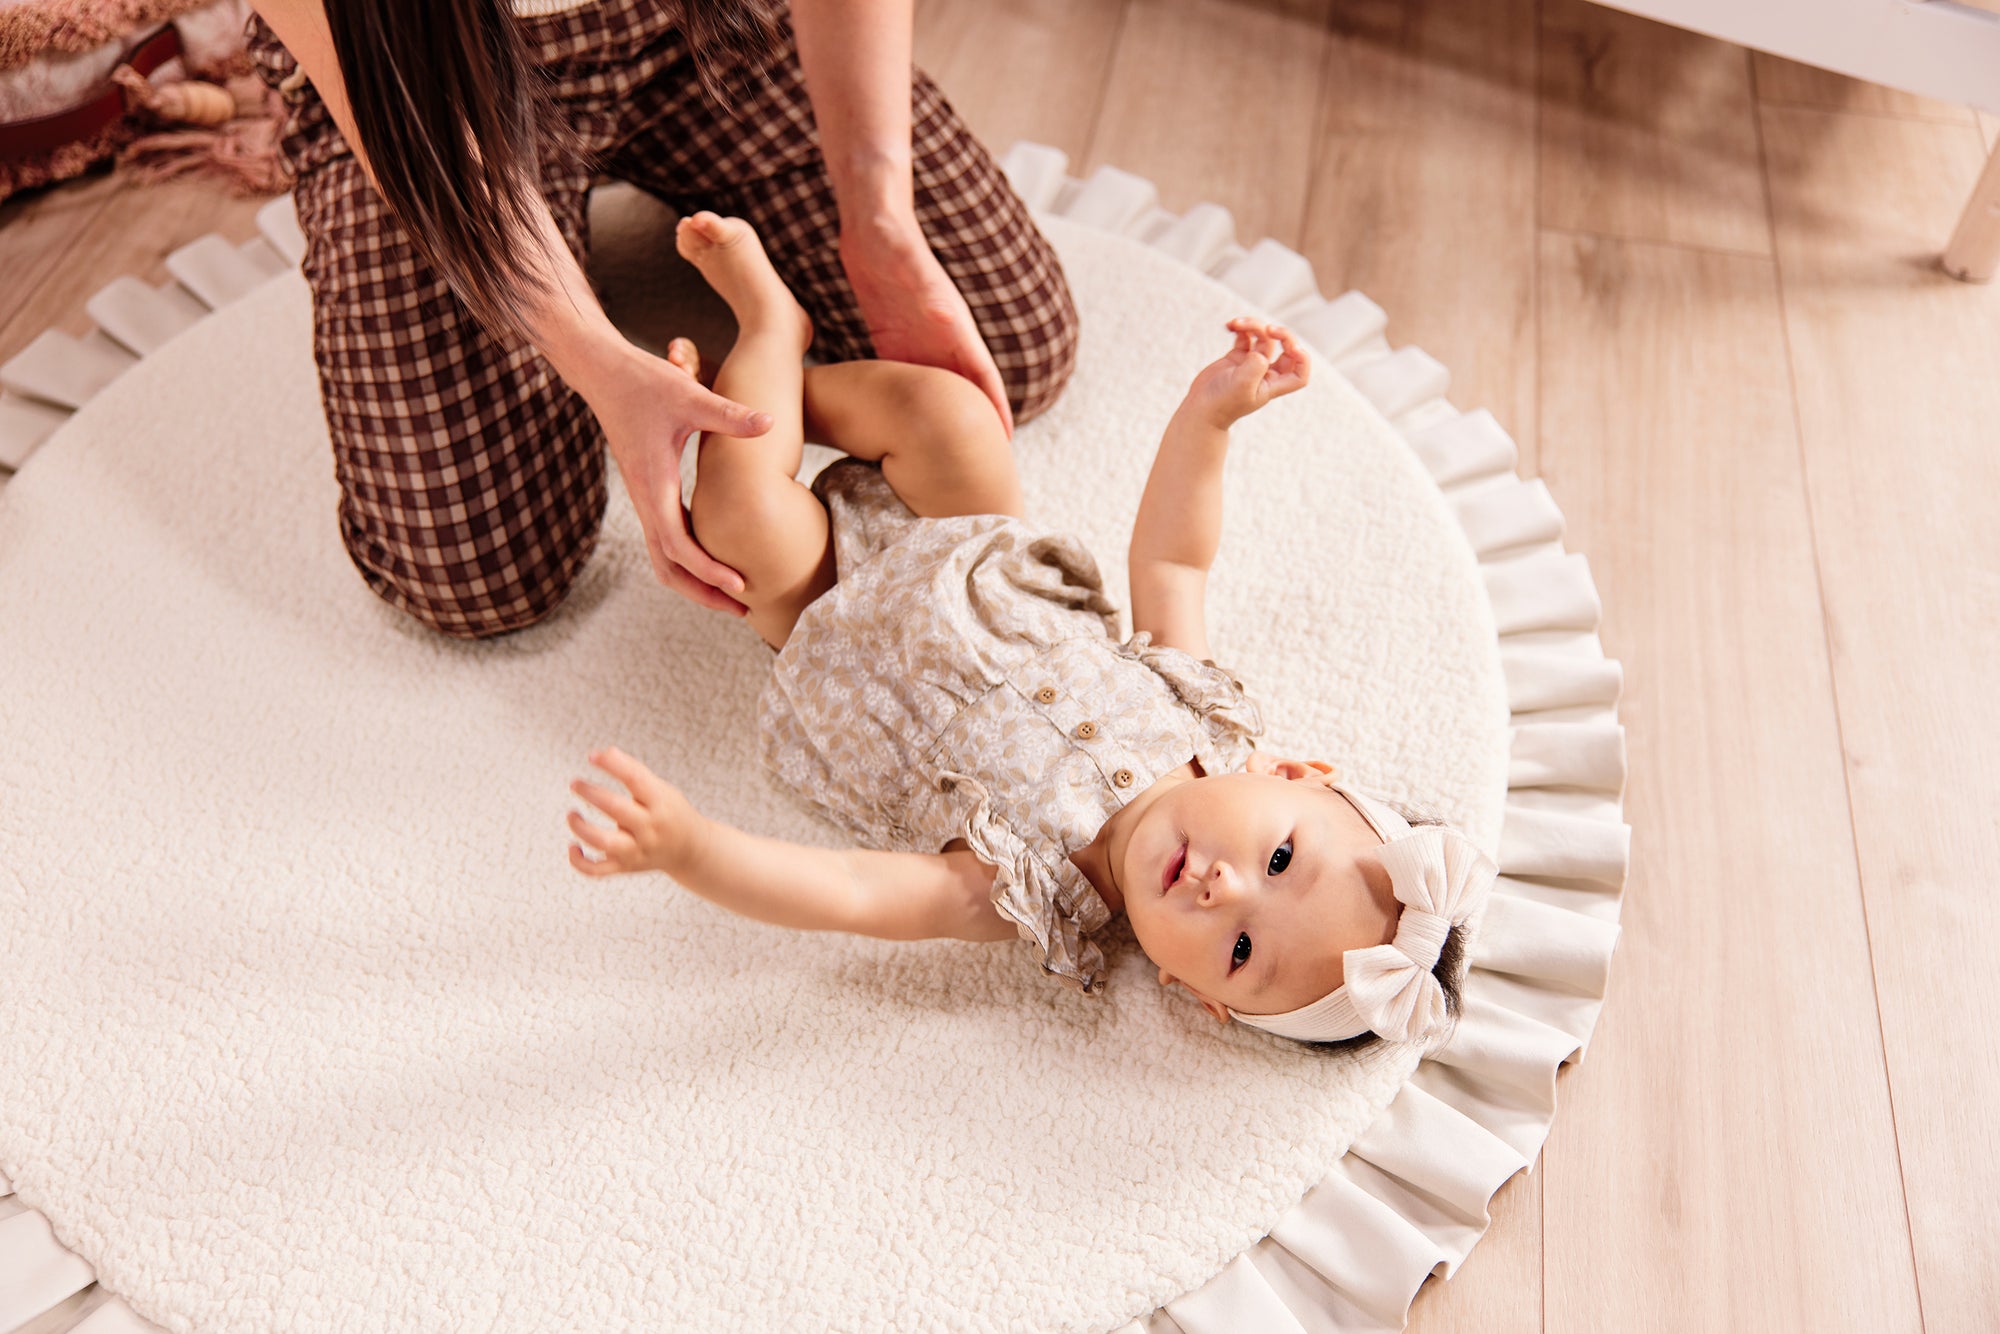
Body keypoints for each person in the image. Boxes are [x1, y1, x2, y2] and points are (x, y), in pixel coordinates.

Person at [564, 212, 1490, 1049]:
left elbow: (854, 895)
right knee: (955, 417)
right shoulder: (1202, 726)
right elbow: (1172, 562)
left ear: (1192, 992)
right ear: (1294, 773)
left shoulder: (1030, 889)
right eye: (1280, 857)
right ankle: (765, 398)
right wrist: (1208, 419)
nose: (1224, 891)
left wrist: (690, 850)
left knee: (743, 526)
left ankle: (766, 333)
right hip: (968, 542)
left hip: (833, 618)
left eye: (1240, 950)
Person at [246, 0, 1077, 638]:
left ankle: (767, 336)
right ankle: (764, 332)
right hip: (417, 83)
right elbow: (410, 114)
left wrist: (880, 221)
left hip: (699, 23)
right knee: (477, 574)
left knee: (1014, 349)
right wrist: (593, 355)